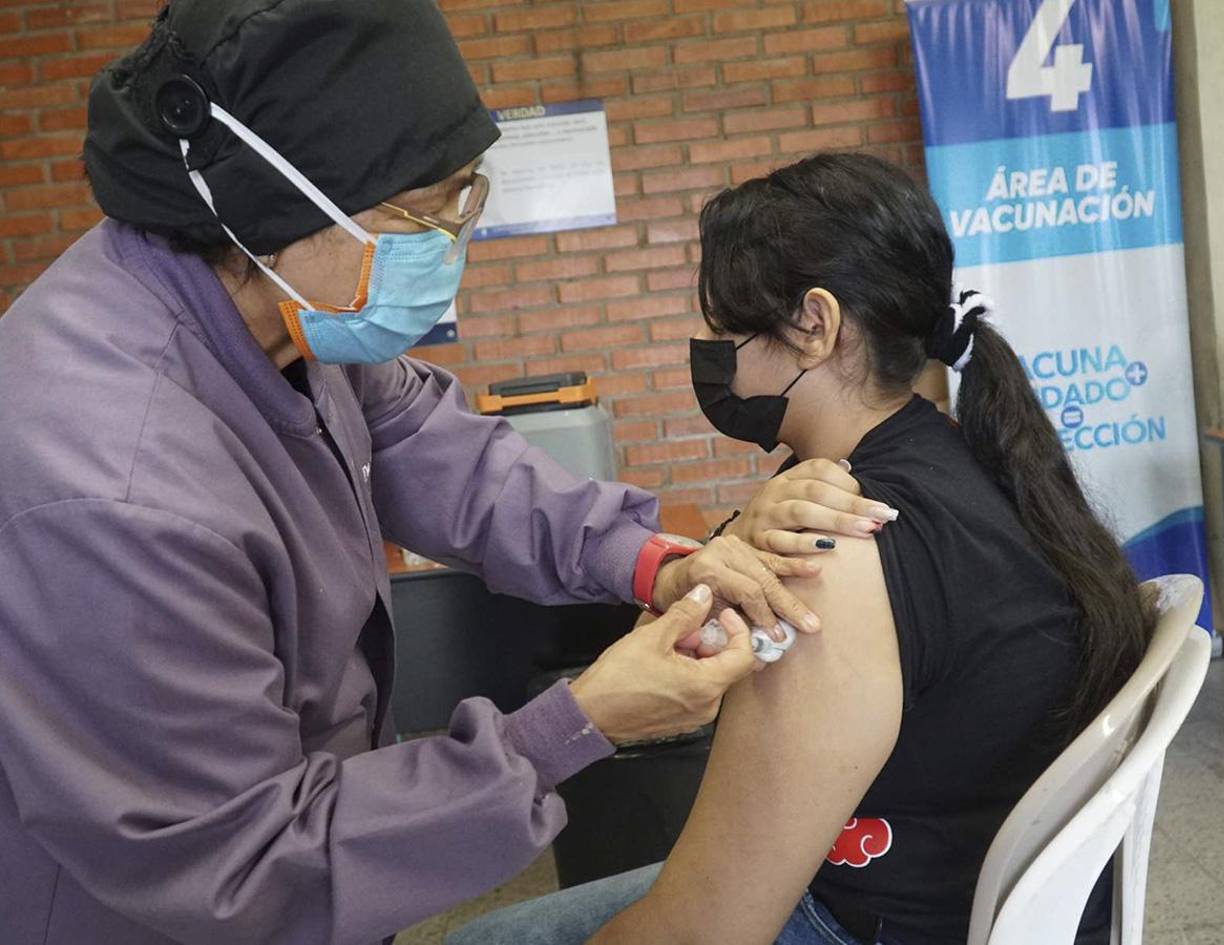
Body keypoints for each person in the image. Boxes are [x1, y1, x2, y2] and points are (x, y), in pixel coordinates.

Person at [0, 5, 896, 945]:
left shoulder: (287, 304)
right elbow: (247, 866)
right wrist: (576, 723)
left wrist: (651, 560)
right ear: (278, 200)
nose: (448, 241)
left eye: (464, 199)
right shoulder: (109, 487)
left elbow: (432, 443)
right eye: (423, 210)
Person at [445, 152, 1155, 945]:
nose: (707, 349)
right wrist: (731, 541)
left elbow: (703, 933)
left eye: (724, 329)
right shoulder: (963, 456)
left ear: (815, 324)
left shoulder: (837, 551)